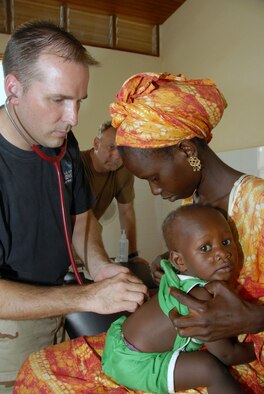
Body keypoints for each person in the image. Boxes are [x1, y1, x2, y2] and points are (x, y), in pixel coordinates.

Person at [0, 21, 147, 392]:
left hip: (56, 311)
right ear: (13, 88)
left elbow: (81, 221)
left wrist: (99, 267)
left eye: (79, 101)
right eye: (58, 100)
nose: (73, 118)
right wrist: (87, 296)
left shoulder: (61, 143)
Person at [108, 71, 263, 392]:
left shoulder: (258, 204)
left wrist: (252, 320)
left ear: (187, 152)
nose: (154, 190)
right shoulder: (197, 203)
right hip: (212, 347)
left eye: (154, 177)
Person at [102, 204, 255, 393]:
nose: (222, 254)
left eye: (226, 242)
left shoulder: (173, 271)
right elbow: (226, 354)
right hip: (136, 364)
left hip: (117, 340)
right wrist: (256, 349)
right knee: (211, 368)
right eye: (206, 248)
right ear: (180, 261)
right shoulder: (201, 299)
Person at [80, 120, 139, 260]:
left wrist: (132, 256)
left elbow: (126, 213)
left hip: (86, 242)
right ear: (96, 144)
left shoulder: (123, 171)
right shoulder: (76, 164)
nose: (117, 156)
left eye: (123, 150)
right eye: (111, 147)